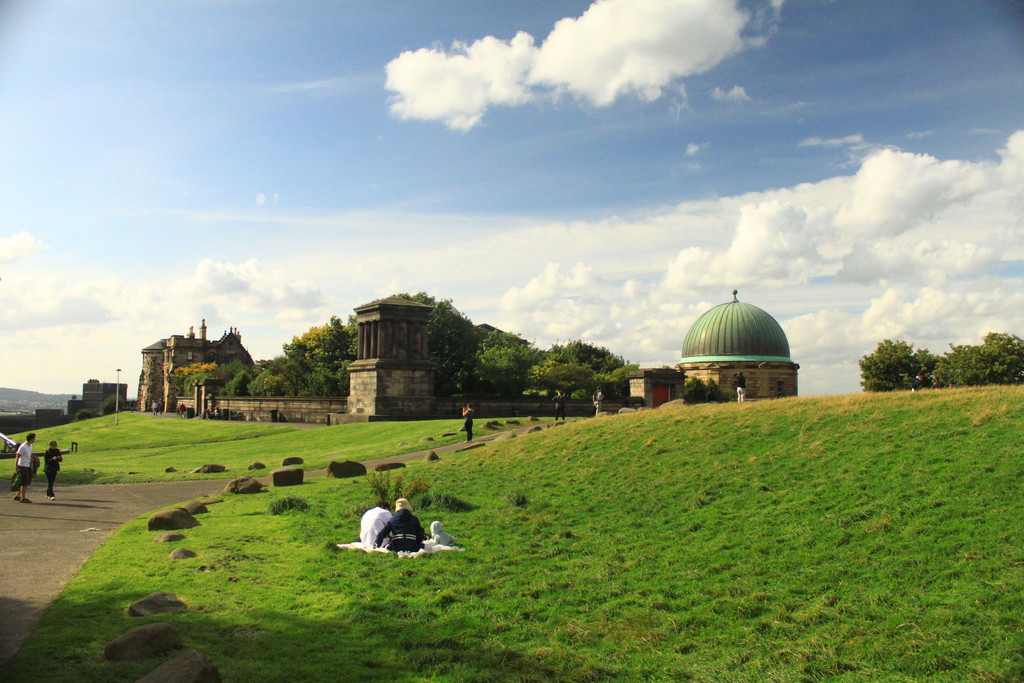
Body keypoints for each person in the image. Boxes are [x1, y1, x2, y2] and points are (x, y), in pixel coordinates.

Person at [14, 433, 36, 503]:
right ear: (32, 439)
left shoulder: (30, 445)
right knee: (24, 483)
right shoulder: (23, 446)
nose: (35, 439)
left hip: (28, 465)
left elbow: (27, 455)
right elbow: (17, 456)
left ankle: (18, 495)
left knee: (24, 481)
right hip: (22, 465)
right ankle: (23, 498)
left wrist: (31, 459)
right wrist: (16, 467)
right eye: (34, 438)